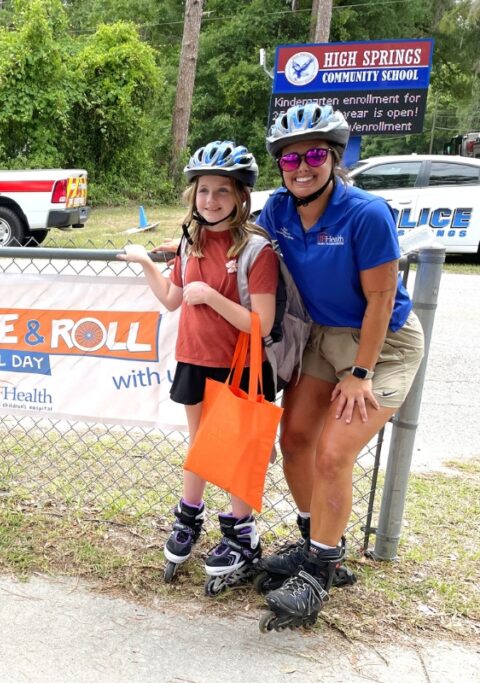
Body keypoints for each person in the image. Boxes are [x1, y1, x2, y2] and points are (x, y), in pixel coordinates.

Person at [254, 103, 424, 632]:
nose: (301, 166)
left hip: (383, 345)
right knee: (296, 440)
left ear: (334, 157)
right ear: (279, 165)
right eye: (289, 158)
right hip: (322, 338)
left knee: (332, 454)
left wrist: (362, 374)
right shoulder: (278, 210)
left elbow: (379, 299)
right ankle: (316, 545)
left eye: (314, 154)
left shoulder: (365, 213)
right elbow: (242, 246)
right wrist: (184, 247)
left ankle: (322, 570)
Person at [118, 140, 278, 594]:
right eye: (203, 191)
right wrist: (149, 264)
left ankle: (240, 530)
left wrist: (212, 297)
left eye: (222, 192)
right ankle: (189, 515)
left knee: (239, 449)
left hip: (239, 366)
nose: (210, 200)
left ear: (241, 197)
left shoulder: (256, 251)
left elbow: (260, 322)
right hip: (193, 359)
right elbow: (171, 300)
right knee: (200, 444)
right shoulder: (190, 243)